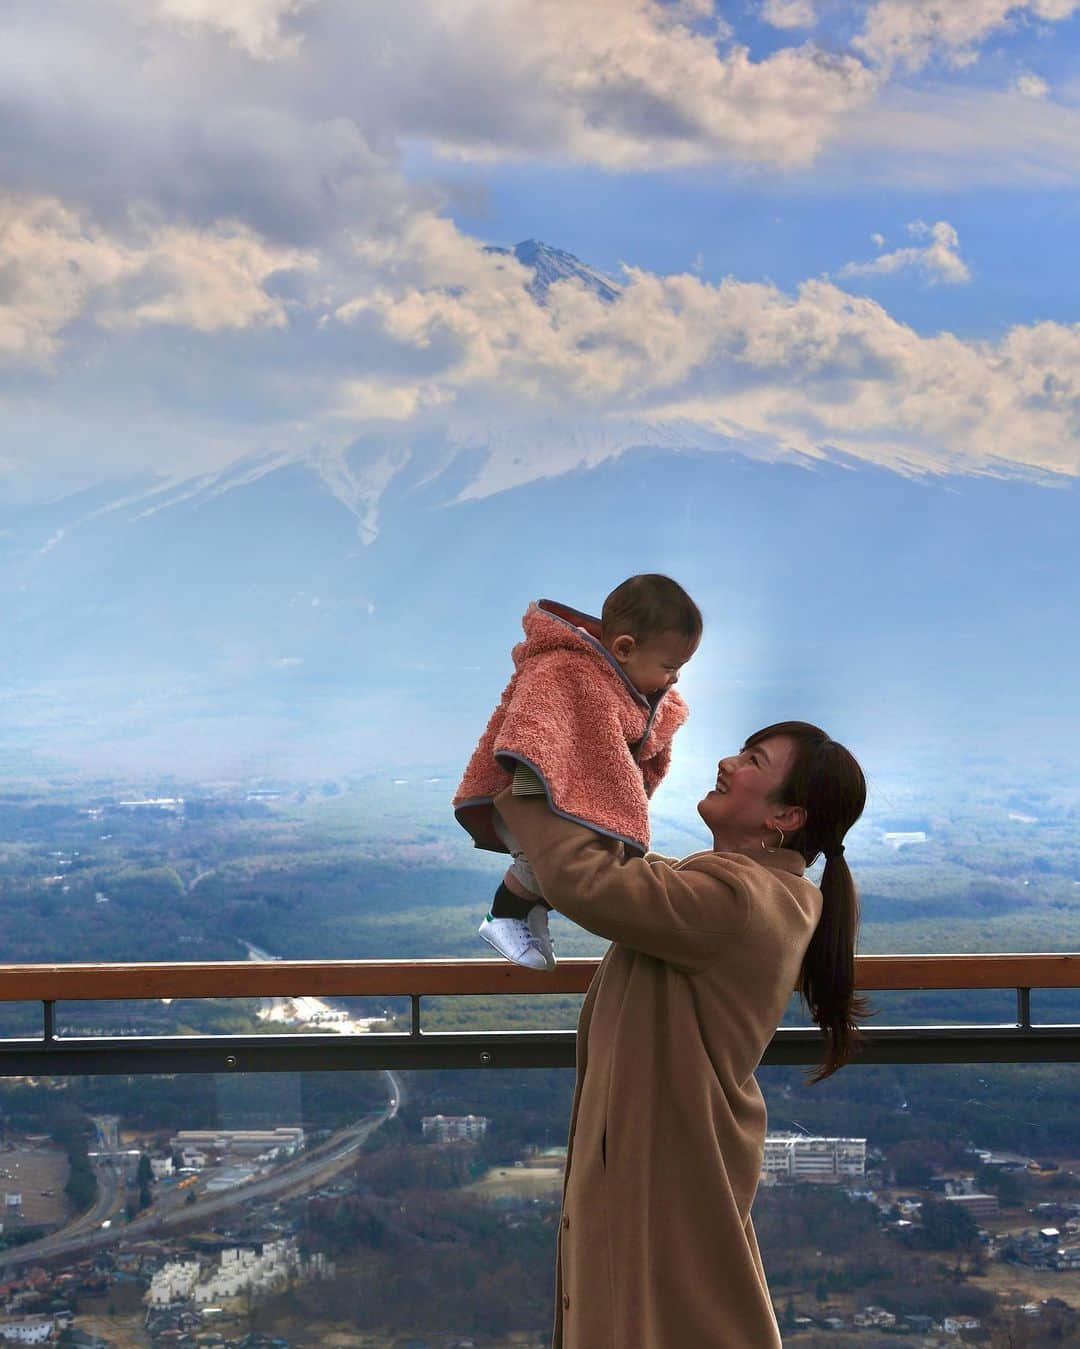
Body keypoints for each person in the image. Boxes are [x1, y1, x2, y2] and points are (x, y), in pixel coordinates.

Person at [494, 720, 868, 1349]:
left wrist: (534, 784)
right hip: (680, 1141)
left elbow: (594, 883)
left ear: (787, 815)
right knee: (677, 1310)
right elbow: (640, 876)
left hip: (670, 1151)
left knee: (660, 1318)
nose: (727, 762)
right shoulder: (744, 890)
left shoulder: (736, 901)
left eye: (753, 759)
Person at [453, 575, 702, 970]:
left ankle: (530, 913)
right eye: (669, 667)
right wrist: (542, 816)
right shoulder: (563, 670)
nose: (674, 679)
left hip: (560, 796)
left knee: (596, 859)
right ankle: (502, 915)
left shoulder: (616, 685)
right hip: (527, 793)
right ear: (624, 648)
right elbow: (534, 733)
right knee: (545, 864)